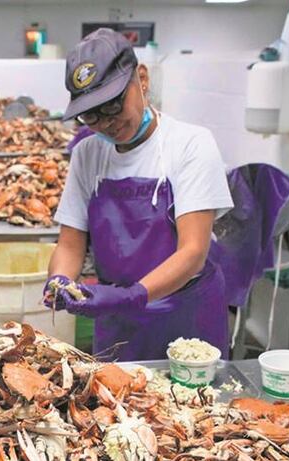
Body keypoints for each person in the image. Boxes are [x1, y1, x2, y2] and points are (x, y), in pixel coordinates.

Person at [45, 29, 234, 362]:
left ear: (142, 79)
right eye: (91, 114)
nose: (107, 123)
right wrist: (60, 281)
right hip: (118, 320)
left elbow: (193, 252)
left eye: (113, 104)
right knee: (116, 395)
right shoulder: (87, 154)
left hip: (186, 316)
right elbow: (70, 244)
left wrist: (133, 296)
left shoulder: (190, 144)